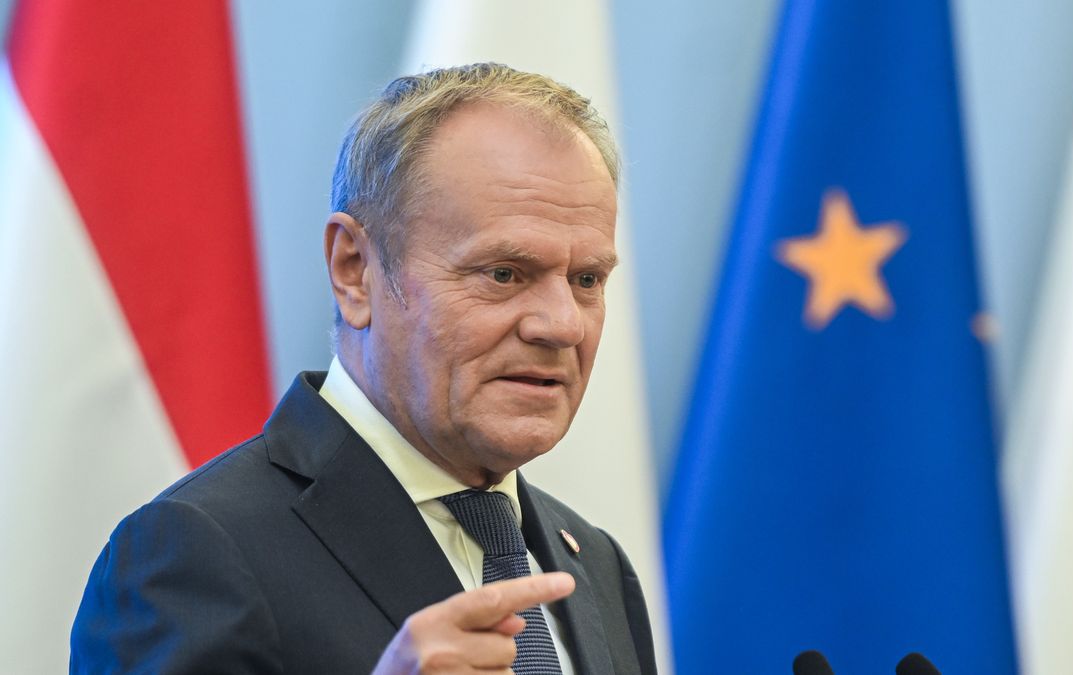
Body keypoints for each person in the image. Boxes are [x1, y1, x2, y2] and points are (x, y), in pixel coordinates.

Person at [70, 63, 657, 675]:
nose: (562, 325)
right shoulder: (197, 551)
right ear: (354, 270)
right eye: (503, 273)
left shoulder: (593, 562)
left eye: (587, 280)